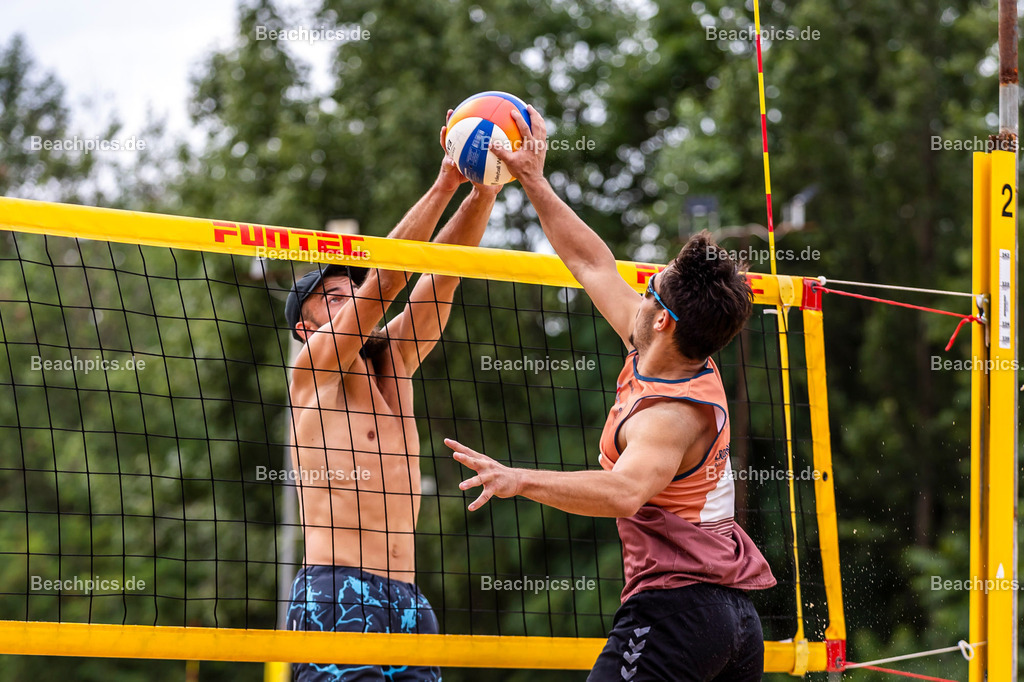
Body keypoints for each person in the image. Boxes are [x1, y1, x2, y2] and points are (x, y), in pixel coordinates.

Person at [446, 106, 776, 681]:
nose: (639, 289)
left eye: (650, 287)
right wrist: (532, 178)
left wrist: (517, 479)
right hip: (732, 620)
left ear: (664, 319)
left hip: (679, 613)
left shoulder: (670, 415)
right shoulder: (657, 346)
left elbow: (624, 492)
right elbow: (588, 260)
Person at [284, 124, 499, 681]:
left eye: (349, 292)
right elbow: (384, 284)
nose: (350, 299)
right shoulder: (312, 368)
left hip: (407, 600)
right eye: (333, 297)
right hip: (336, 592)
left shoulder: (394, 359)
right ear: (306, 328)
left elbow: (442, 274)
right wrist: (446, 180)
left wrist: (484, 192)